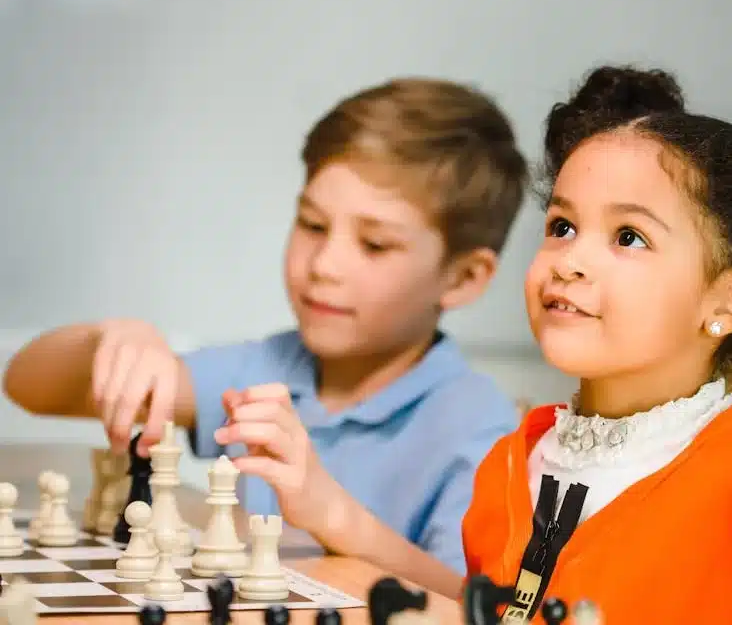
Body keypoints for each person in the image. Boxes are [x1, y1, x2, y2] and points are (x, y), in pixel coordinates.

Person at [118, 65, 732, 623]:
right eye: (562, 226)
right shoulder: (518, 459)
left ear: (727, 303)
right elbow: (480, 603)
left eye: (628, 237)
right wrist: (328, 507)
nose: (567, 261)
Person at [2, 77, 529, 575]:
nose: (324, 264)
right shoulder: (264, 371)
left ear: (463, 278)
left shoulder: (478, 430)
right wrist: (110, 340)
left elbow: (476, 605)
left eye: (374, 244)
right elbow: (26, 386)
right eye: (313, 225)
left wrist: (333, 515)